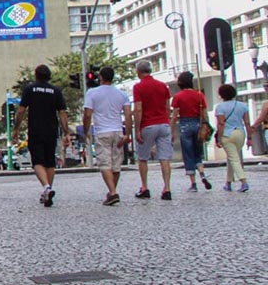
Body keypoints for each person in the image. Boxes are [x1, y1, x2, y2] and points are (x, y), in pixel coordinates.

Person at [12, 65, 70, 208]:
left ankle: (46, 188)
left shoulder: (30, 89)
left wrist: (16, 128)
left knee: (37, 161)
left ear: (36, 75)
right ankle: (47, 190)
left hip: (36, 130)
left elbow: (21, 110)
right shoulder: (55, 91)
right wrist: (66, 132)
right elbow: (62, 113)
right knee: (50, 162)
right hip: (51, 130)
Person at [82, 66, 132, 206]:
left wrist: (86, 131)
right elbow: (128, 114)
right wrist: (127, 133)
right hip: (117, 131)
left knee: (105, 164)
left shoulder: (92, 93)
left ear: (101, 78)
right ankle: (112, 192)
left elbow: (87, 114)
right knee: (116, 165)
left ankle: (113, 192)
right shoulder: (122, 94)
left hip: (102, 131)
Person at [132, 60, 173, 201]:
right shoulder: (163, 86)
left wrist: (137, 129)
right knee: (164, 157)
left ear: (138, 72)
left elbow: (138, 109)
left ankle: (144, 187)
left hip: (148, 124)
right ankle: (167, 188)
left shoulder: (138, 87)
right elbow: (168, 107)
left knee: (143, 158)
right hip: (163, 123)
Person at [169, 71, 212, 192]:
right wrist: (205, 125)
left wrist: (171, 131)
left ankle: (193, 184)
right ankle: (202, 174)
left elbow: (174, 116)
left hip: (184, 125)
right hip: (197, 125)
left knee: (188, 154)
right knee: (198, 153)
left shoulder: (178, 96)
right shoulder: (199, 95)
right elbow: (204, 113)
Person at [214, 84, 252, 192]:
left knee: (234, 158)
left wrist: (219, 138)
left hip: (227, 134)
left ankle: (243, 182)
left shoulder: (220, 107)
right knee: (232, 157)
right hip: (240, 132)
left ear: (221, 95)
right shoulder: (242, 105)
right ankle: (228, 182)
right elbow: (247, 122)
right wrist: (249, 138)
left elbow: (221, 124)